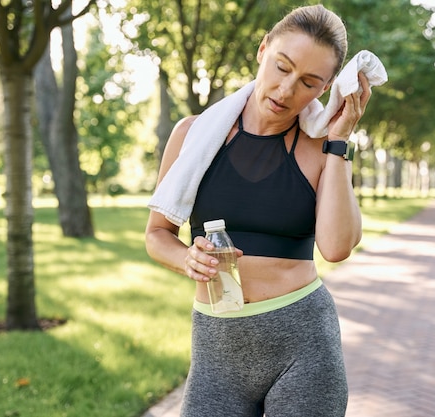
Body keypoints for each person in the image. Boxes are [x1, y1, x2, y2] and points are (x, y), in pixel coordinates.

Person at [145, 4, 372, 416]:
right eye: (282, 67)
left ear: (324, 90)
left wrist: (339, 141)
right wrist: (186, 258)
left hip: (304, 348)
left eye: (308, 82)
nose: (287, 91)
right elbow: (157, 235)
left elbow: (337, 247)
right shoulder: (191, 135)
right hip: (216, 351)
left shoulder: (320, 150)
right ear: (263, 49)